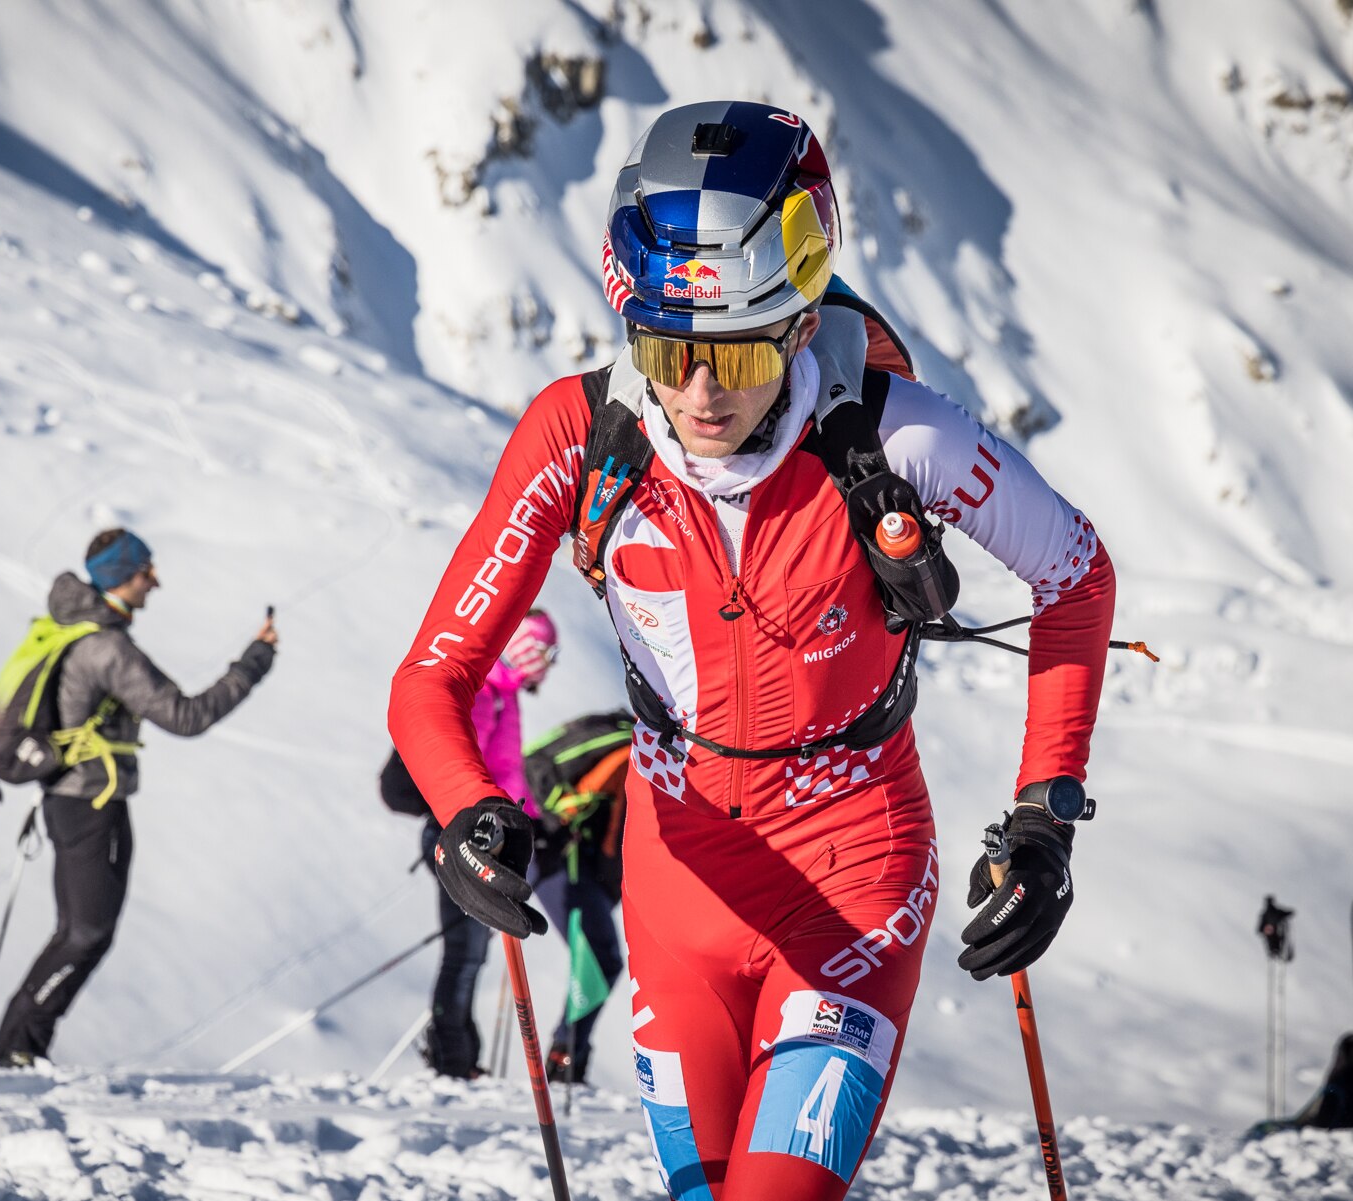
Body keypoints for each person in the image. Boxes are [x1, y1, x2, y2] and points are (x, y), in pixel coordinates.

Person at [389, 100, 1115, 1201]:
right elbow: (430, 678)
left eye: (734, 352)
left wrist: (1043, 814)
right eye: (667, 350)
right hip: (675, 888)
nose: (699, 393)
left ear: (797, 323)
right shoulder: (580, 439)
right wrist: (466, 809)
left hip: (853, 873)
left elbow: (1077, 574)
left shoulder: (897, 434)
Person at [0, 528, 277, 1067]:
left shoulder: (77, 631)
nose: (155, 581)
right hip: (89, 802)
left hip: (77, 799)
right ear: (123, 575)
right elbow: (186, 717)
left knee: (82, 931)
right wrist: (254, 663)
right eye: (148, 571)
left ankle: (20, 1048)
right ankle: (17, 1051)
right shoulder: (106, 648)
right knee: (86, 932)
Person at [417, 610, 558, 1078]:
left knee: (471, 951)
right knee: (465, 951)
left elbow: (506, 773)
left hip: (487, 835)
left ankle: (459, 1054)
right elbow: (463, 769)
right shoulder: (485, 692)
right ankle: (450, 1056)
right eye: (545, 652)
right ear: (523, 648)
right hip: (464, 834)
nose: (547, 664)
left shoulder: (504, 693)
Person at [523, 710, 635, 1086]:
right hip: (562, 858)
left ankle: (569, 1053)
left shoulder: (626, 746)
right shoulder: (629, 753)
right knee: (600, 958)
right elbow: (582, 803)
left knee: (599, 958)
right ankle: (565, 1056)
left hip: (569, 860)